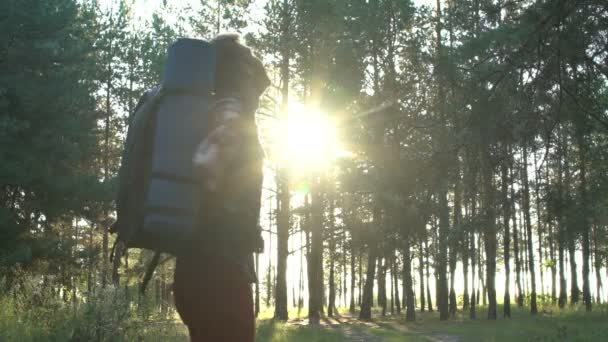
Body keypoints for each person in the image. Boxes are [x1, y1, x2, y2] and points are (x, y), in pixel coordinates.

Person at [172, 33, 269, 342]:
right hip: (222, 272)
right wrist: (213, 170)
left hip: (193, 268)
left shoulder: (200, 111)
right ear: (242, 73)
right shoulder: (230, 109)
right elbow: (210, 159)